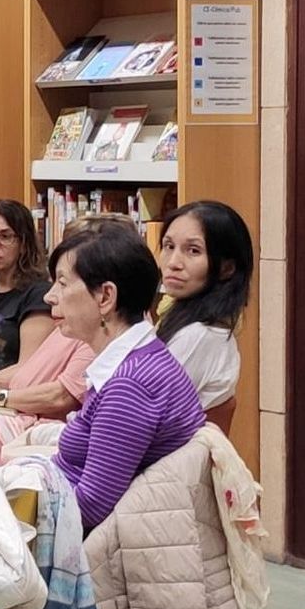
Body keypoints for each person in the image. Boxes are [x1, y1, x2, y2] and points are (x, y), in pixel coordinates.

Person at [47, 227, 205, 532]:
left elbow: (90, 508)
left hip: (94, 549)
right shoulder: (140, 357)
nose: (49, 295)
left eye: (62, 283)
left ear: (105, 296)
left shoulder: (130, 386)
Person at [0, 216, 143, 440]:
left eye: (64, 280)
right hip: (21, 420)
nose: (49, 296)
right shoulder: (76, 322)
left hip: (29, 425)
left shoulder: (109, 335)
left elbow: (62, 398)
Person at [154, 200, 253, 413]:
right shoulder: (179, 317)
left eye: (193, 251)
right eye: (168, 246)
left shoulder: (200, 335)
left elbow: (139, 414)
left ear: (227, 268)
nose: (173, 262)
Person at [0, 199, 53, 373]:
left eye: (5, 236)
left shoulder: (39, 295)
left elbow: (29, 368)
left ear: (23, 244)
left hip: (7, 393)